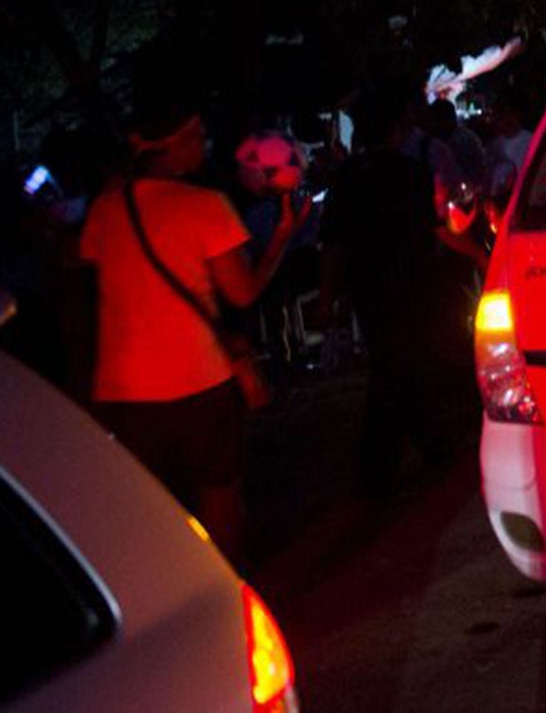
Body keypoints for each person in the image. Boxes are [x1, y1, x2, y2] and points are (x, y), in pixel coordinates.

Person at [80, 99, 307, 562]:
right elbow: (242, 293)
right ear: (173, 143)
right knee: (218, 492)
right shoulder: (204, 205)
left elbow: (94, 287)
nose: (205, 144)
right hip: (197, 380)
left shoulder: (104, 208)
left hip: (122, 390)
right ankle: (227, 589)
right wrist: (283, 236)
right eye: (197, 134)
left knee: (149, 506)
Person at [319, 86, 472, 499]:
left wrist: (327, 296)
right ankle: (388, 465)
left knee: (397, 365)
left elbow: (334, 244)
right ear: (397, 126)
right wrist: (481, 254)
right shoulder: (410, 174)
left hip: (369, 291)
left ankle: (419, 449)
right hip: (415, 284)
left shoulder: (346, 178)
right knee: (403, 368)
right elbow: (439, 229)